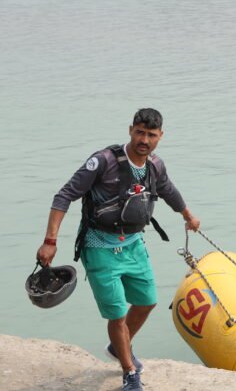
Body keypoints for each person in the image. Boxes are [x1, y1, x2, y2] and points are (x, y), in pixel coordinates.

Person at [35, 108, 201, 391]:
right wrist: (50, 241)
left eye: (151, 135)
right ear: (130, 130)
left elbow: (168, 190)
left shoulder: (155, 166)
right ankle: (129, 372)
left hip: (133, 244)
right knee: (117, 314)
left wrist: (187, 215)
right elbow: (64, 196)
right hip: (99, 246)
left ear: (160, 136)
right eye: (139, 132)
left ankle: (117, 346)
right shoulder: (103, 161)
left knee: (147, 300)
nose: (144, 140)